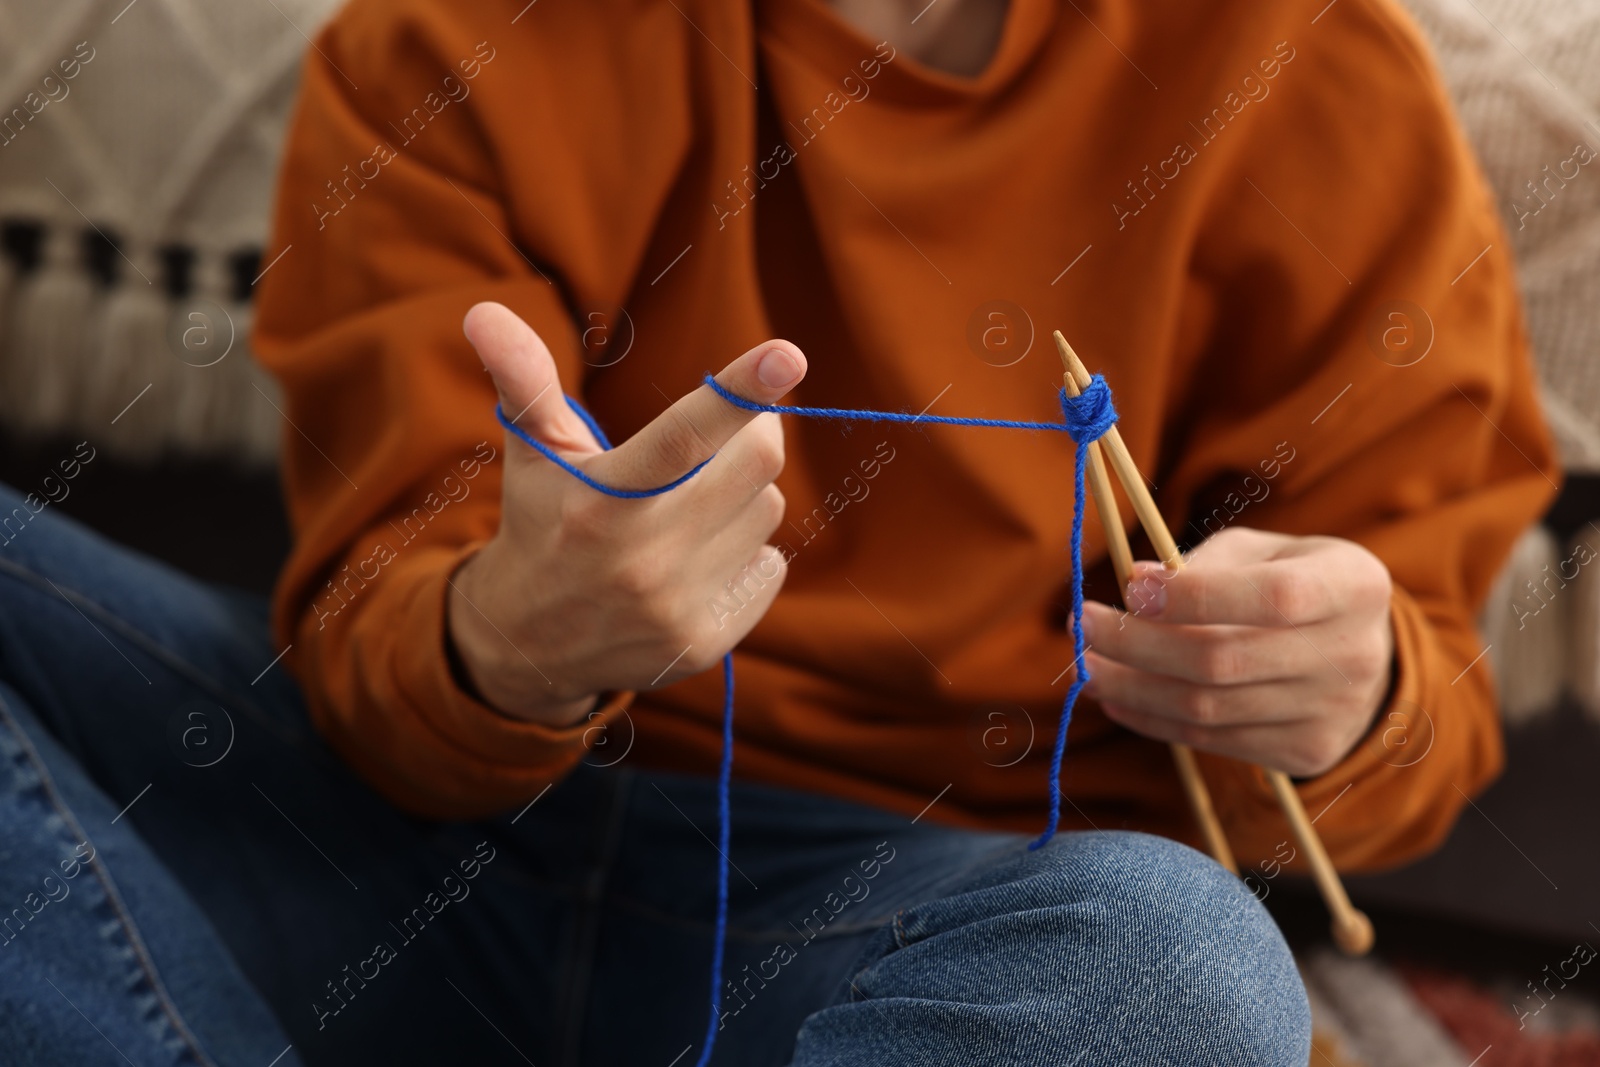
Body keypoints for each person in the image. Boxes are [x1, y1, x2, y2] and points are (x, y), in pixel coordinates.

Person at [0, 0, 1555, 1063]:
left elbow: (1419, 723)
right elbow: (376, 671)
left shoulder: (1309, 68)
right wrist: (502, 641)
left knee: (1171, 961)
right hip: (387, 854)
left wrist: (1349, 701)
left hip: (920, 918)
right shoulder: (460, 34)